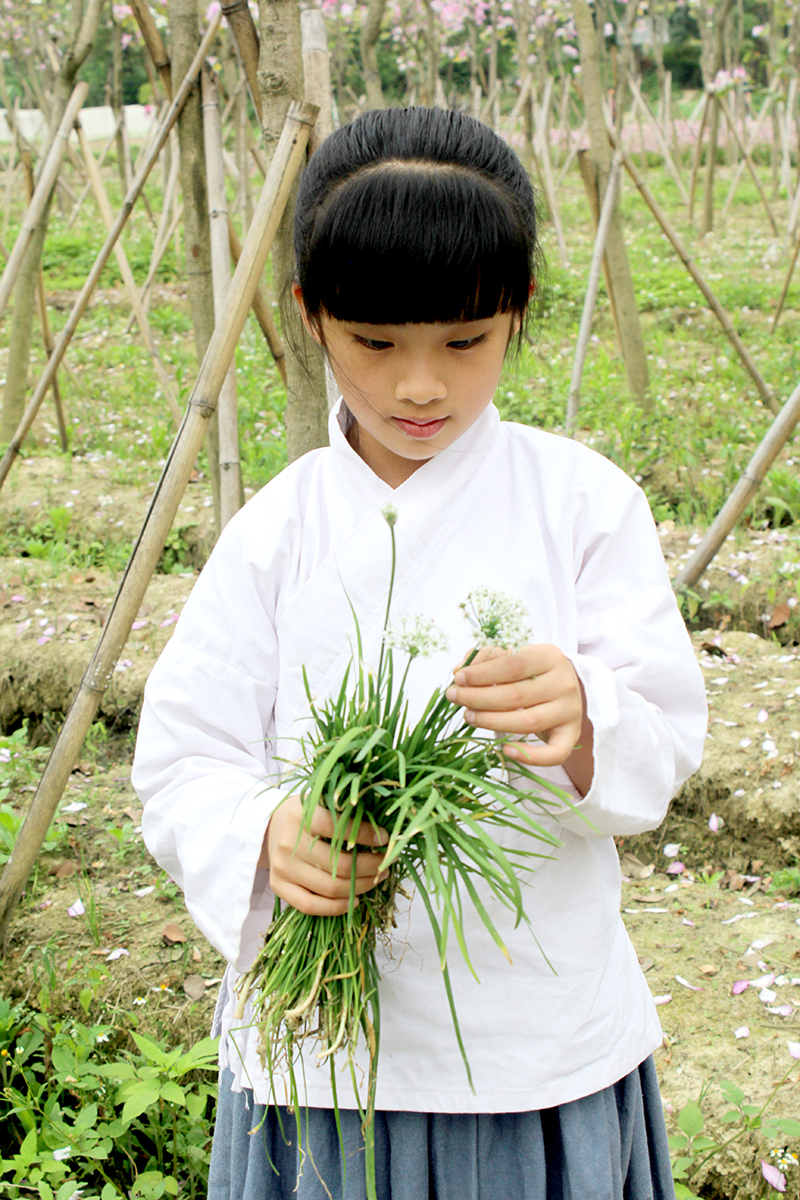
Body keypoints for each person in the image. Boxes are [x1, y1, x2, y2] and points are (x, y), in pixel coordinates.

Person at [132, 106, 707, 1200]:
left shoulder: (582, 504)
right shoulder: (277, 529)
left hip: (535, 1046)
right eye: (375, 343)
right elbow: (180, 761)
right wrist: (267, 832)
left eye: (462, 341)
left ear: (517, 314)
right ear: (309, 317)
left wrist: (584, 715)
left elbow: (663, 734)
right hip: (325, 1061)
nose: (418, 388)